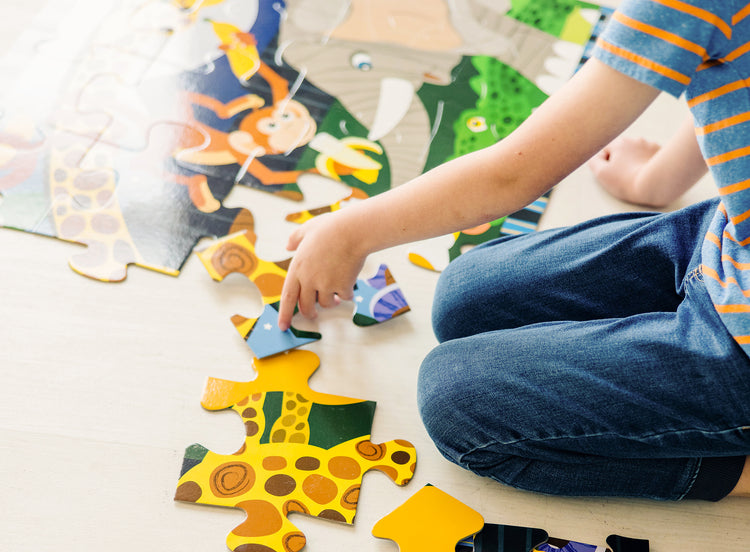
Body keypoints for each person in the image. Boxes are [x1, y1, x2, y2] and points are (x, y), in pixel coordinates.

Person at [278, 0, 750, 502]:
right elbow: (724, 58)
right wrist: (653, 181)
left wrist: (349, 232)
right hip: (725, 241)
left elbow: (511, 176)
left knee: (454, 400)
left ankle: (733, 470)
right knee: (464, 296)